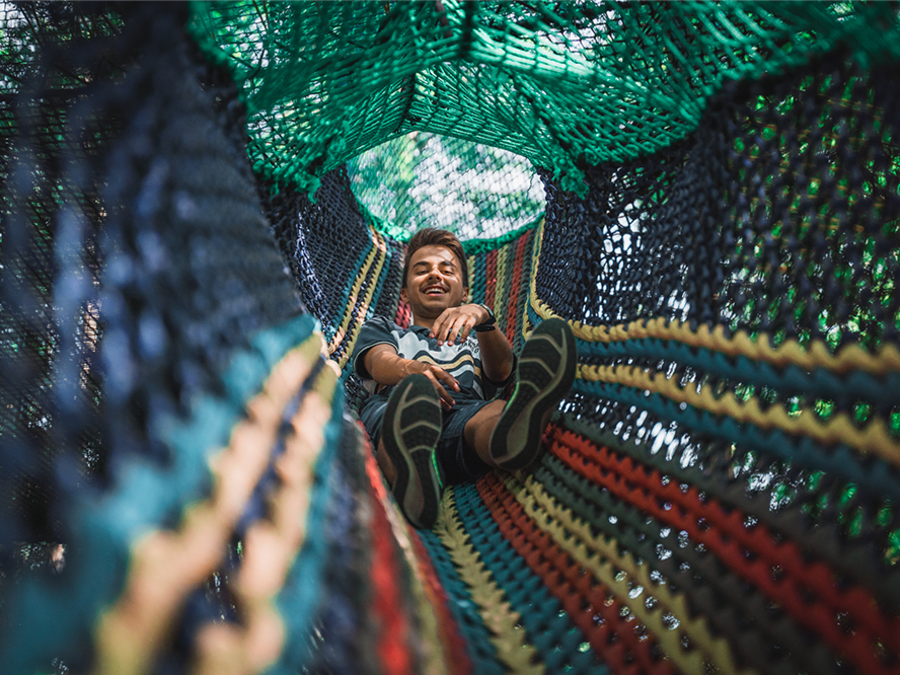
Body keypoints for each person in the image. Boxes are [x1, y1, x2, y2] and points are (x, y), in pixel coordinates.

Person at [351, 228, 576, 529]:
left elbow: (502, 371)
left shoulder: (477, 340)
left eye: (447, 270)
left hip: (463, 408)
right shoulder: (386, 329)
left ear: (465, 292)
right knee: (402, 416)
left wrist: (482, 317)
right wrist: (409, 370)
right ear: (404, 294)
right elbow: (378, 362)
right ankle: (414, 477)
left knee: (493, 411)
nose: (435, 275)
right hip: (398, 401)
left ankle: (509, 435)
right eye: (422, 270)